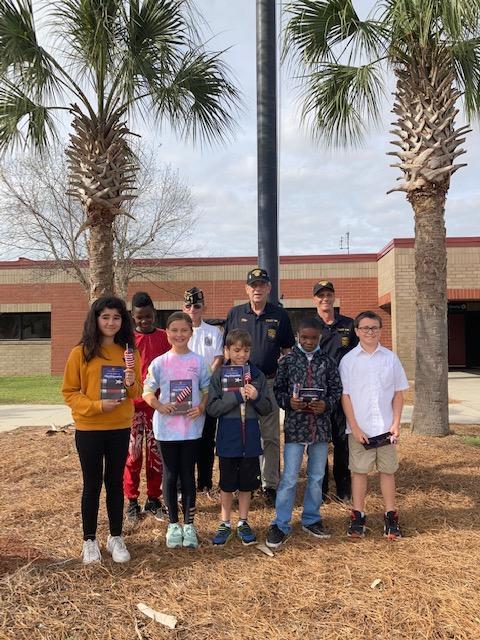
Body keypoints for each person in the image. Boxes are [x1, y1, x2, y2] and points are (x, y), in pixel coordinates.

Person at [62, 296, 142, 564]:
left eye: (116, 317)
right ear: (95, 319)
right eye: (105, 317)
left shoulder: (129, 353)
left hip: (119, 427)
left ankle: (115, 537)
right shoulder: (81, 352)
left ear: (123, 321)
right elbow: (70, 392)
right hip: (89, 428)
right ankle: (89, 540)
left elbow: (137, 392)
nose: (111, 322)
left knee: (115, 483)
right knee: (92, 484)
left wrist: (130, 382)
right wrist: (97, 406)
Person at [266, 317, 342, 548]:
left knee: (317, 476)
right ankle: (281, 523)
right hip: (295, 427)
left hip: (320, 428)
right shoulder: (288, 361)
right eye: (305, 337)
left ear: (320, 337)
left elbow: (336, 390)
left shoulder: (327, 362)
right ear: (298, 336)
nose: (309, 342)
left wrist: (326, 404)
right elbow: (278, 390)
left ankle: (311, 518)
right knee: (289, 477)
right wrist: (288, 402)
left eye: (314, 338)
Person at [224, 268, 295, 506]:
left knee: (270, 436)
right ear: (247, 289)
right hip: (238, 382)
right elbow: (227, 350)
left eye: (262, 285)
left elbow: (287, 350)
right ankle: (243, 483)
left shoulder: (280, 315)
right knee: (241, 434)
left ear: (269, 288)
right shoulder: (235, 313)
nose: (257, 289)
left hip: (269, 383)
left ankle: (270, 484)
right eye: (253, 285)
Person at [143, 311, 210, 549]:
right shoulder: (159, 363)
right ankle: (173, 524)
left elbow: (206, 390)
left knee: (188, 475)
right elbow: (147, 391)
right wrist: (159, 406)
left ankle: (189, 525)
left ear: (191, 333)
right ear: (167, 333)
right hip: (166, 430)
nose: (179, 334)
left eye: (184, 330)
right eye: (174, 330)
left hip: (191, 429)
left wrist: (201, 407)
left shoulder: (199, 362)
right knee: (170, 475)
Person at [339, 310, 408, 540]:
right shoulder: (348, 361)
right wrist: (355, 428)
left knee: (387, 471)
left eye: (374, 328)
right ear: (357, 331)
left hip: (386, 428)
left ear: (380, 330)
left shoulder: (390, 358)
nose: (370, 332)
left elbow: (398, 393)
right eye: (365, 328)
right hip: (360, 429)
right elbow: (346, 396)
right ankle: (358, 516)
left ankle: (391, 516)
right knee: (359, 472)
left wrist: (396, 423)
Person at [207, 329, 272, 546]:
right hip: (228, 436)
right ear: (227, 350)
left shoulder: (257, 375)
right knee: (227, 484)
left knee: (246, 484)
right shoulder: (219, 374)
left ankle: (243, 521)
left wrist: (256, 397)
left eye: (246, 350)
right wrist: (235, 397)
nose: (241, 355)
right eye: (236, 350)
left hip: (250, 437)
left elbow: (267, 408)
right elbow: (212, 408)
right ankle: (225, 522)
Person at [123, 292, 170, 523]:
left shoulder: (164, 337)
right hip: (133, 407)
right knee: (133, 456)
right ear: (133, 316)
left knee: (155, 455)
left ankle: (153, 498)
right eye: (140, 317)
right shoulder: (127, 341)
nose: (144, 321)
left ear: (155, 314)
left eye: (148, 316)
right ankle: (131, 500)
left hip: (156, 406)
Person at [313, 280, 358, 501]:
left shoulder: (348, 325)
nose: (325, 299)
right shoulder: (309, 325)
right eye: (320, 295)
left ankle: (343, 488)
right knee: (318, 442)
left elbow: (358, 355)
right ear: (315, 299)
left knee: (342, 441)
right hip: (317, 393)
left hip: (342, 393)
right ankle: (320, 489)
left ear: (334, 297)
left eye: (328, 294)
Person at [182, 287, 224, 493]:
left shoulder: (213, 331)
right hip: (185, 393)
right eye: (188, 305)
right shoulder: (180, 332)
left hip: (207, 392)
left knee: (207, 439)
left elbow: (218, 359)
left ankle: (205, 483)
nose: (192, 309)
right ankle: (186, 482)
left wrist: (203, 381)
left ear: (203, 307)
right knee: (187, 439)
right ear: (183, 307)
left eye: (197, 305)